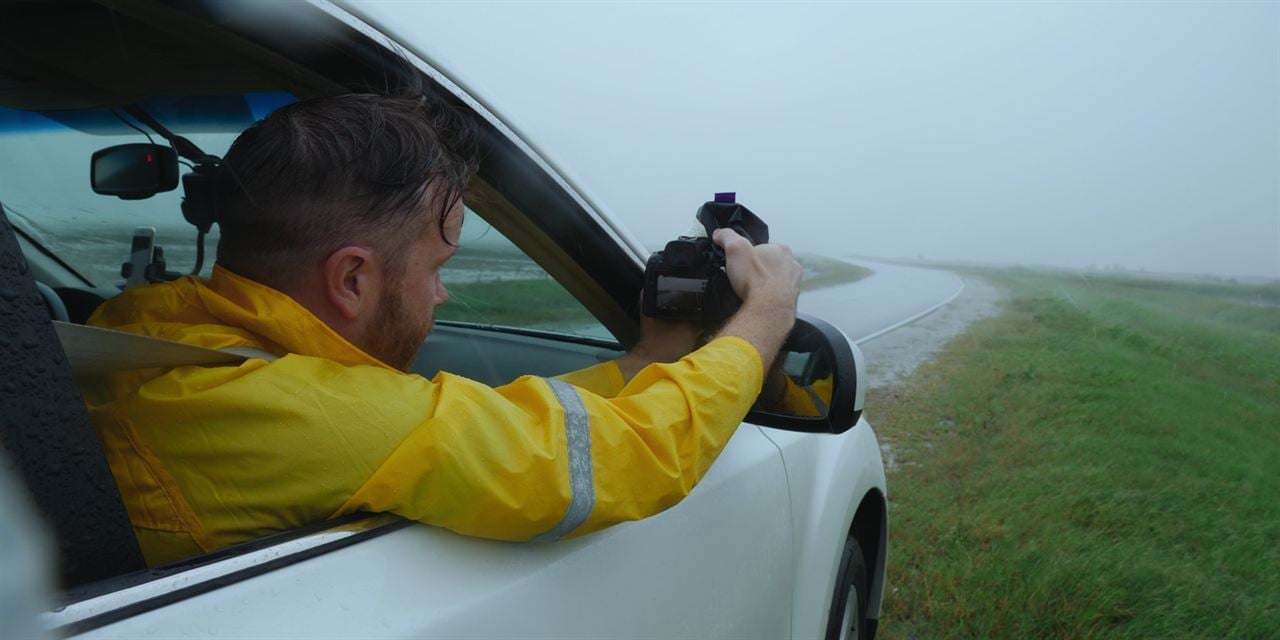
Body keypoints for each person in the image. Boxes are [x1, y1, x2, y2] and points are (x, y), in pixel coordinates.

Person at [82, 92, 803, 567]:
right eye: (435, 265)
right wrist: (765, 315)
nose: (442, 292)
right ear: (353, 280)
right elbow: (623, 459)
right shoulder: (314, 417)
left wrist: (646, 357)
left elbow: (509, 423)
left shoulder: (141, 330)